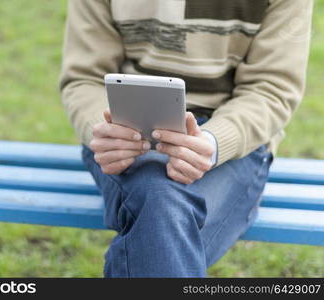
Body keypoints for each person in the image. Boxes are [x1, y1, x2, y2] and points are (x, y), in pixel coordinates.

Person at [59, 0, 312, 277]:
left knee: (157, 213)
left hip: (232, 140)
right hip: (125, 131)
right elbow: (84, 78)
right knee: (161, 207)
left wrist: (214, 142)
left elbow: (272, 89)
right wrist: (106, 129)